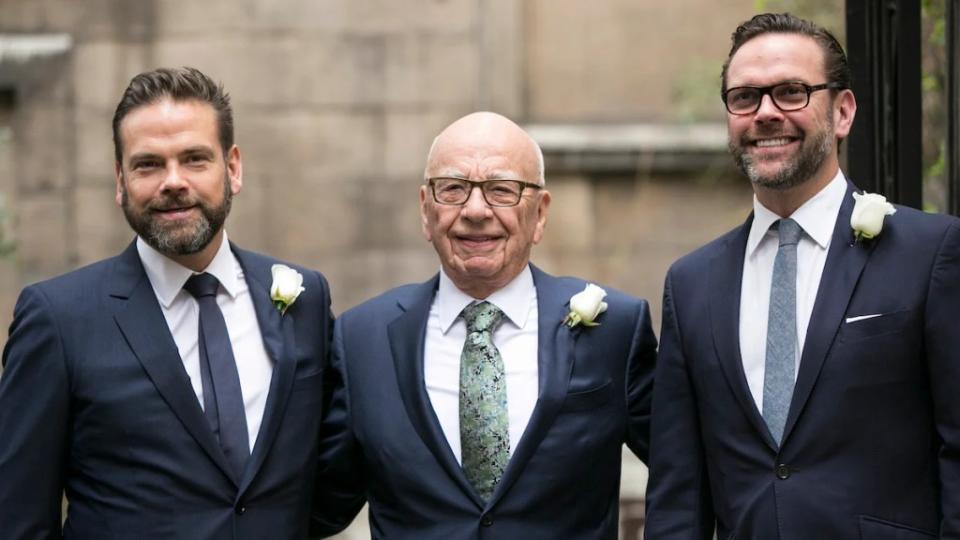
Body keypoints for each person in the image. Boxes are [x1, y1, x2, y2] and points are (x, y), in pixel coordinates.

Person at [644, 12, 960, 539]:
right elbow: (678, 493)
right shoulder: (691, 283)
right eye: (745, 97)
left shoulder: (930, 253)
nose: (765, 113)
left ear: (843, 112)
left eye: (791, 92)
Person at [0, 67, 333, 539]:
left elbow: (327, 476)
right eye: (148, 164)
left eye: (195, 159)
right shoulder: (58, 319)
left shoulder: (306, 298)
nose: (173, 181)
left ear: (232, 168)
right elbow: (17, 518)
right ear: (120, 180)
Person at [310, 111, 656, 539]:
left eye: (501, 190)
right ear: (425, 209)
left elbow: (684, 472)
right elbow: (319, 505)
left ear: (540, 214)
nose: (475, 210)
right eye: (453, 189)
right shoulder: (363, 338)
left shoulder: (614, 329)